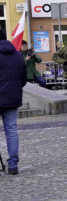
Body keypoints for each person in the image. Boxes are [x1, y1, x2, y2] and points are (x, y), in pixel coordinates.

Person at [0, 36, 26, 174]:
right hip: (12, 98)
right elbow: (23, 78)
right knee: (11, 130)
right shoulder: (17, 54)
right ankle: (13, 165)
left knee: (11, 130)